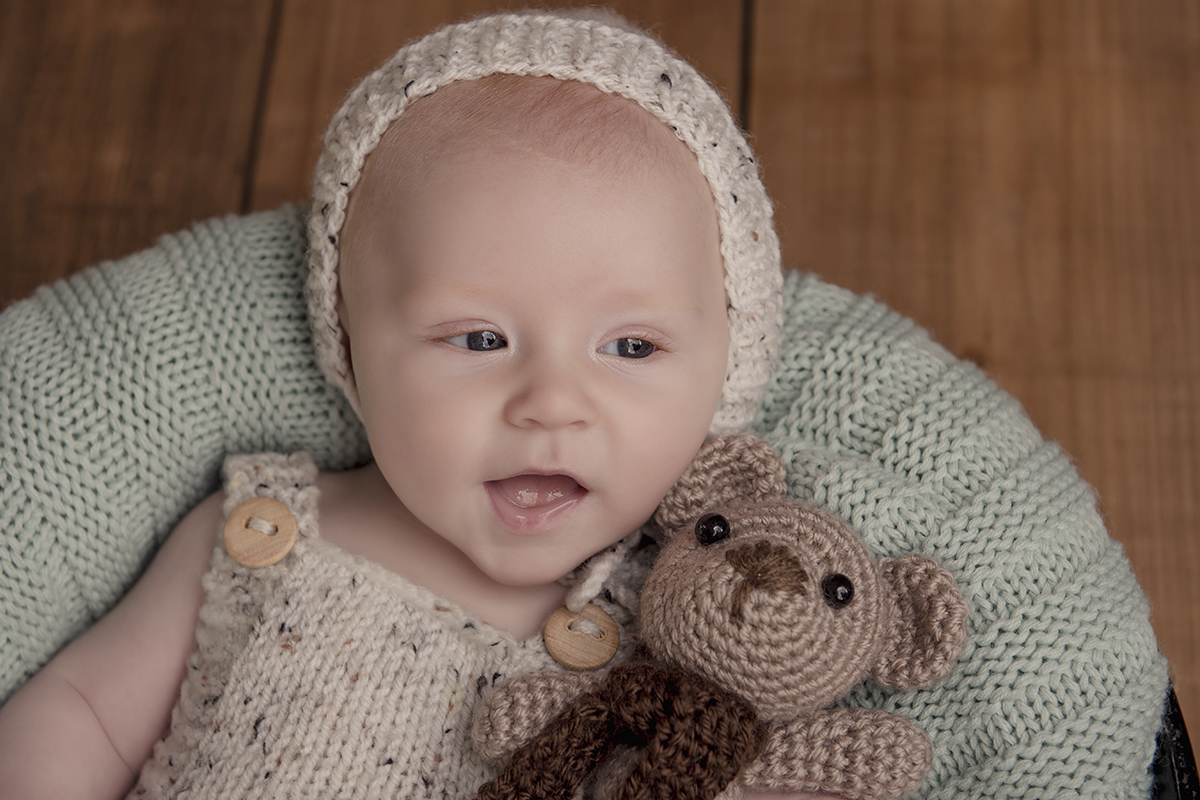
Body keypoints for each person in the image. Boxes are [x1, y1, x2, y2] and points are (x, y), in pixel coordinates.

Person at [0, 9, 797, 798]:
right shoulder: (264, 534)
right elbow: (81, 716)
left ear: (727, 369)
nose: (552, 406)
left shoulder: (697, 619)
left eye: (630, 347)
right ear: (351, 343)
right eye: (480, 339)